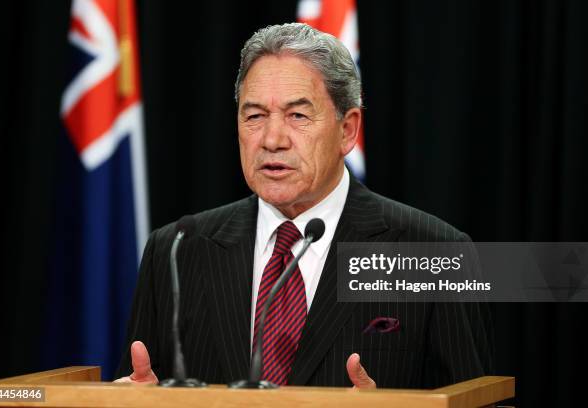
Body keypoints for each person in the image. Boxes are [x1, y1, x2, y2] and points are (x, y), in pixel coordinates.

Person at [115, 23, 493, 388]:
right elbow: (140, 381)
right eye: (255, 115)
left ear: (347, 130)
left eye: (297, 115)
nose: (272, 139)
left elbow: (473, 400)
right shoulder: (178, 249)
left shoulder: (432, 251)